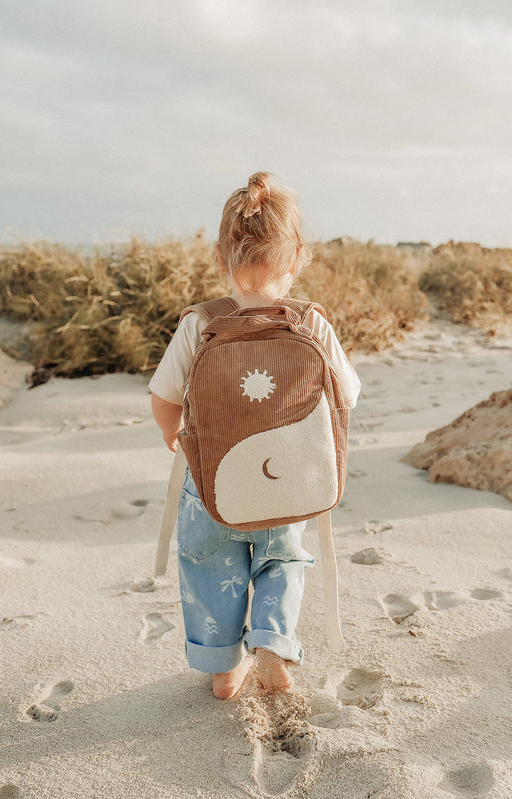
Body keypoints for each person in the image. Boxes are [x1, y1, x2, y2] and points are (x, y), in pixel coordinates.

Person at [149, 172, 360, 700]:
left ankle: (223, 669)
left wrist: (173, 434)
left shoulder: (200, 324)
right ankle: (271, 644)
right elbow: (347, 395)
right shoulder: (311, 323)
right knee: (282, 560)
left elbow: (164, 396)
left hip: (212, 480)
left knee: (207, 567)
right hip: (288, 483)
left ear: (220, 257)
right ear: (297, 259)